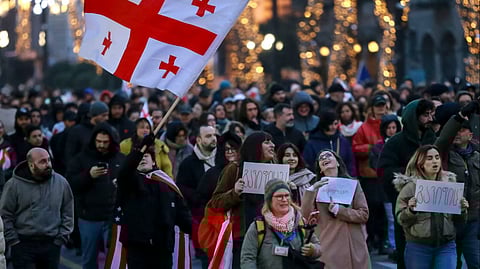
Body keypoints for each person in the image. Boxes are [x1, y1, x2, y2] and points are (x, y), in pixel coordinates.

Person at [379, 98, 478, 268]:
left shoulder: (432, 138)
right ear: (413, 117)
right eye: (425, 115)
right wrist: (412, 186)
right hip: (412, 214)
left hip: (440, 219)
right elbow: (385, 173)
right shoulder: (396, 143)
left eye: (432, 114)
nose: (430, 118)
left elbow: (446, 137)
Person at [116, 135, 192, 268]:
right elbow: (124, 171)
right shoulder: (129, 181)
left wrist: (197, 231)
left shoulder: (166, 184)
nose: (142, 158)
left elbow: (181, 212)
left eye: (146, 156)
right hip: (138, 246)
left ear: (154, 161)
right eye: (140, 157)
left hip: (163, 247)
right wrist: (138, 150)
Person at [393, 145, 469, 269]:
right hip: (418, 247)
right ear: (420, 163)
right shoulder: (411, 187)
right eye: (429, 158)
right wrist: (411, 210)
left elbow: (459, 221)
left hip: (446, 245)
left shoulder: (450, 184)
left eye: (437, 157)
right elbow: (401, 219)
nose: (435, 161)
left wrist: (462, 209)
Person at [208, 131, 275, 268]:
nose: (272, 145)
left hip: (271, 238)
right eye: (267, 142)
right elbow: (215, 202)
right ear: (255, 146)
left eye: (272, 142)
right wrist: (235, 193)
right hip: (242, 239)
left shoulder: (276, 169)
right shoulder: (235, 169)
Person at [0, 148, 74, 268]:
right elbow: (5, 214)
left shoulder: (61, 183)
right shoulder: (14, 185)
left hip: (52, 243)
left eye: (49, 160)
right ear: (31, 165)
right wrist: (14, 241)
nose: (48, 164)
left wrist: (62, 238)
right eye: (42, 162)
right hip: (23, 244)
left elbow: (68, 211)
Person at [67, 122, 125, 269]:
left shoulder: (120, 159)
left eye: (105, 142)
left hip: (114, 217)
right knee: (89, 259)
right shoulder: (81, 159)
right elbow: (71, 184)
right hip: (89, 217)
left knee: (114, 259)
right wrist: (88, 175)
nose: (101, 145)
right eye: (98, 141)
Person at [301, 149, 370, 268]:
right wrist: (311, 191)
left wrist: (340, 210)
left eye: (328, 156)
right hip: (328, 244)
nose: (325, 159)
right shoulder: (316, 188)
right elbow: (305, 216)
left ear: (338, 162)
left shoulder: (353, 184)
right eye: (321, 159)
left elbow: (364, 214)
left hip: (353, 245)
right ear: (320, 169)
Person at [240, 179, 322, 268]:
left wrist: (313, 250)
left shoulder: (300, 222)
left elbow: (318, 247)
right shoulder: (259, 227)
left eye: (287, 195)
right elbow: (247, 258)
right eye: (279, 196)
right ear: (269, 200)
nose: (284, 199)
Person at [436, 120, 480, 268]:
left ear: (470, 135)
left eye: (461, 130)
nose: (457, 133)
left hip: (473, 219)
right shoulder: (444, 154)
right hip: (451, 219)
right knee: (453, 264)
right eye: (455, 130)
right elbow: (441, 140)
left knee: (475, 261)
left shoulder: (477, 156)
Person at [352, 94, 389, 253]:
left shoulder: (390, 124)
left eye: (383, 105)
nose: (381, 109)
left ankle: (383, 240)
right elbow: (355, 148)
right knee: (371, 209)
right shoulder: (363, 128)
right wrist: (371, 148)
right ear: (371, 108)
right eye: (378, 106)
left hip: (385, 173)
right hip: (369, 175)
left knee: (384, 210)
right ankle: (372, 239)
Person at [176, 125, 217, 268]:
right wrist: (199, 198)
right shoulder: (188, 164)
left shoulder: (222, 160)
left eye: (214, 135)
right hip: (200, 220)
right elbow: (181, 189)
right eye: (208, 136)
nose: (213, 139)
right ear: (198, 140)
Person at [303, 110, 356, 176]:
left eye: (336, 124)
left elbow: (350, 163)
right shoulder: (312, 143)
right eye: (330, 124)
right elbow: (308, 164)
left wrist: (351, 178)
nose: (333, 127)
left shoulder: (343, 141)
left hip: (342, 180)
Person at [197, 132, 242, 209]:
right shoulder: (212, 173)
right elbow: (202, 198)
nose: (230, 152)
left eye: (233, 148)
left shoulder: (245, 170)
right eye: (227, 149)